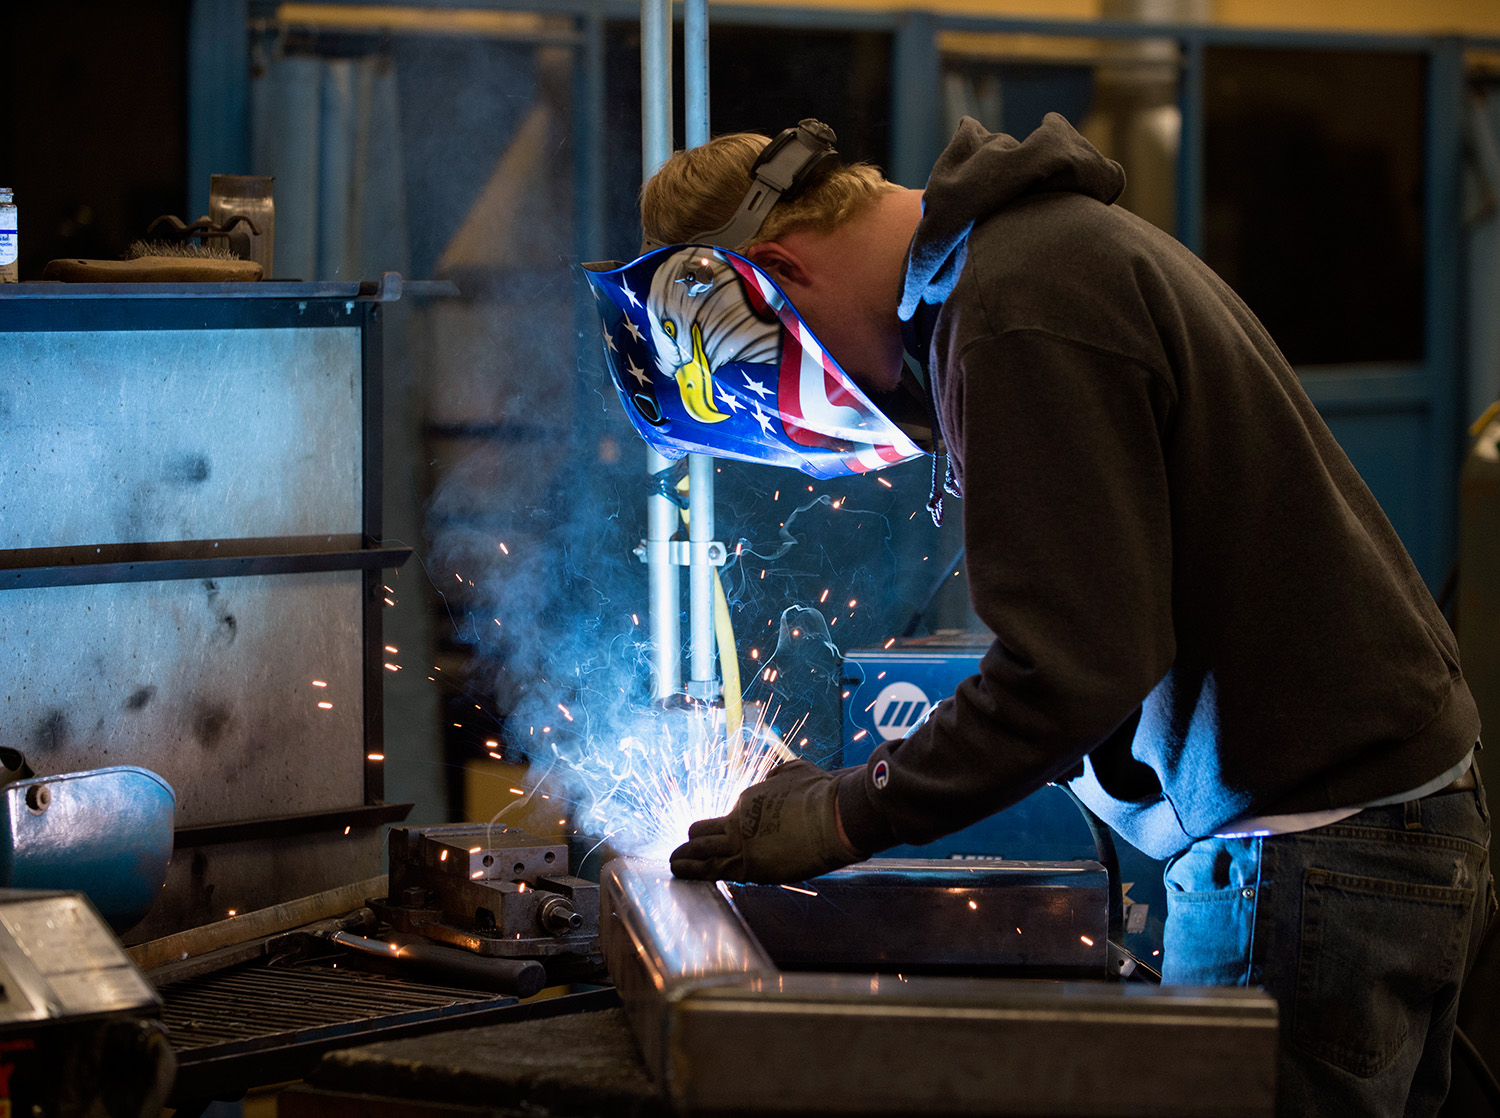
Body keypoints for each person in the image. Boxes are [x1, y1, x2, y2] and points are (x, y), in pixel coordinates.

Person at [592, 115, 1492, 1116]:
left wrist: (850, 811)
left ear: (780, 270)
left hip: (1312, 844)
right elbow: (1108, 622)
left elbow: (1073, 668)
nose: (841, 409)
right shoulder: (1027, 264)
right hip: (1373, 825)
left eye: (786, 376)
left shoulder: (1014, 304)